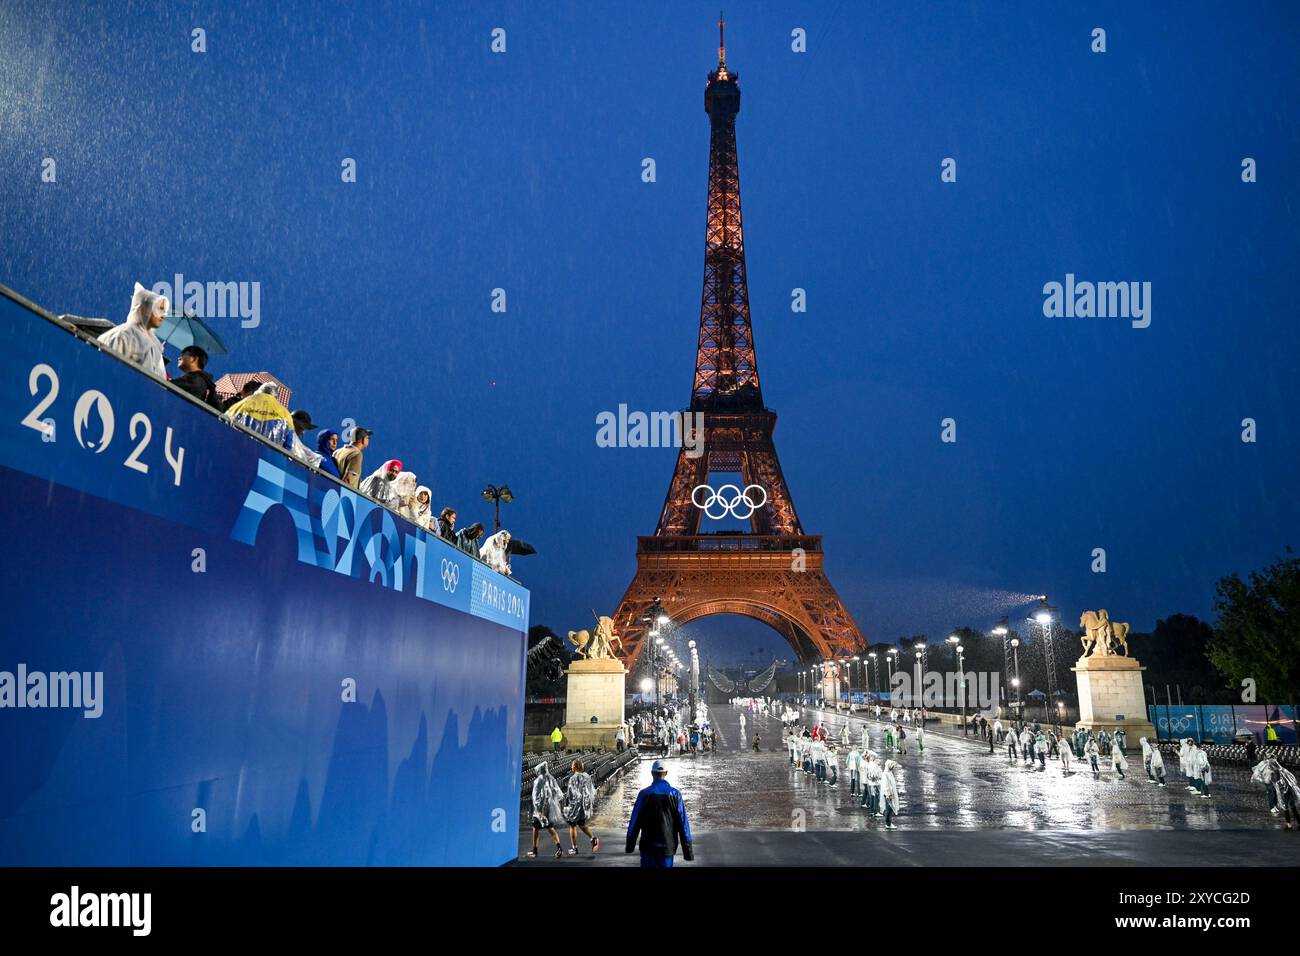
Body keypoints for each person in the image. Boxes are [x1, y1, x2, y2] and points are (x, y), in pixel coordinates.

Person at [625, 759, 694, 867]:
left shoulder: (643, 794)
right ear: (666, 773)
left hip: (648, 846)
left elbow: (634, 821)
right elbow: (683, 823)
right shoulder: (675, 794)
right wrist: (688, 850)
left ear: (652, 773)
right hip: (668, 847)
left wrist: (630, 844)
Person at [99, 282, 167, 377]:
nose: (163, 315)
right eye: (159, 309)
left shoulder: (156, 345)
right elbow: (109, 370)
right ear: (143, 309)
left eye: (164, 310)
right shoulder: (123, 335)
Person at [227, 383, 296, 451]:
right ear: (276, 396)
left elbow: (226, 422)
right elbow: (288, 445)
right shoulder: (285, 413)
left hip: (238, 448)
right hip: (267, 456)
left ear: (259, 391)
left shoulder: (241, 404)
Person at [527, 761, 565, 860]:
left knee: (535, 829)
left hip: (540, 810)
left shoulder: (538, 780)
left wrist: (538, 811)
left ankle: (534, 850)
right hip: (550, 808)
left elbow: (536, 797)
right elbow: (558, 793)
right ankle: (559, 848)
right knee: (551, 828)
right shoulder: (551, 778)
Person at [563, 758, 600, 855]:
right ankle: (593, 838)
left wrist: (568, 805)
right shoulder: (587, 776)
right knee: (581, 824)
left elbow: (570, 794)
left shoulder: (573, 778)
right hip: (584, 805)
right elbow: (591, 790)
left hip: (575, 806)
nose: (571, 766)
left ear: (575, 766)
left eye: (572, 765)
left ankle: (574, 848)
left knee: (572, 825)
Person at [881, 759, 900, 830]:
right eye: (892, 766)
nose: (893, 767)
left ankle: (888, 823)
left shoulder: (889, 772)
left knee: (890, 808)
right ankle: (888, 824)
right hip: (888, 794)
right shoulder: (885, 774)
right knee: (889, 808)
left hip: (890, 793)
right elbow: (885, 785)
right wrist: (888, 794)